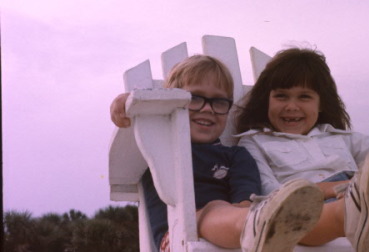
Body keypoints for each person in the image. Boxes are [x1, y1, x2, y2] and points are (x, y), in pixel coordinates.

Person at [234, 48, 369, 252]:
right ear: (266, 101)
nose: (292, 106)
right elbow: (269, 193)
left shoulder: (340, 138)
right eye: (281, 96)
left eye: (304, 97)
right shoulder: (255, 142)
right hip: (304, 209)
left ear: (320, 104)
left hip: (359, 196)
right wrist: (336, 189)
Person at [110, 54, 324, 252]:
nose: (208, 109)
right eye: (194, 98)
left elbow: (245, 203)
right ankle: (261, 230)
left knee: (231, 212)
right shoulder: (157, 147)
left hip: (232, 235)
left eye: (219, 101)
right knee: (215, 209)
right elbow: (138, 117)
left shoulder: (236, 156)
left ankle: (264, 230)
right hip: (176, 240)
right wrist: (127, 101)